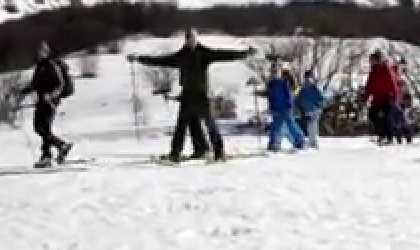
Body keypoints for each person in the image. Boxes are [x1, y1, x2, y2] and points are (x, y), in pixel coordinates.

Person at [129, 29, 255, 162]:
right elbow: (161, 60)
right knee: (182, 126)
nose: (192, 41)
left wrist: (245, 53)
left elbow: (224, 54)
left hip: (201, 95)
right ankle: (179, 154)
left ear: (197, 38)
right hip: (187, 96)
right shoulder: (181, 55)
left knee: (210, 124)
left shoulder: (204, 53)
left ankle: (219, 153)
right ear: (186, 40)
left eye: (194, 38)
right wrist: (138, 58)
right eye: (189, 38)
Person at [18, 41, 73, 168]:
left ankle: (47, 155)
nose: (38, 54)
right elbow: (35, 84)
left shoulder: (51, 65)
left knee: (44, 128)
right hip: (42, 100)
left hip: (50, 101)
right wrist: (22, 91)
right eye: (37, 52)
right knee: (39, 128)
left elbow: (60, 84)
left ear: (46, 52)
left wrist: (51, 96)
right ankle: (60, 147)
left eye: (40, 51)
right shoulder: (40, 66)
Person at [265, 62, 307, 152]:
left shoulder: (274, 83)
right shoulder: (284, 82)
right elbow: (292, 92)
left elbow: (270, 95)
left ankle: (274, 143)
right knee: (288, 125)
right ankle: (299, 141)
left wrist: (271, 104)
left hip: (279, 107)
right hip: (284, 106)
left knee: (278, 125)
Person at [362, 51, 401, 146]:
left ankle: (389, 137)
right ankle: (382, 134)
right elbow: (369, 85)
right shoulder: (373, 71)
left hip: (388, 96)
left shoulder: (386, 69)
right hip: (377, 97)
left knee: (387, 117)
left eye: (372, 60)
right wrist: (366, 97)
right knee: (372, 114)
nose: (370, 62)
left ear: (377, 60)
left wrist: (396, 98)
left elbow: (393, 84)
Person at [297, 70, 326, 149]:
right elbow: (320, 98)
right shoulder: (309, 88)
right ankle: (313, 142)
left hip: (312, 109)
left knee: (312, 125)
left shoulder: (307, 88)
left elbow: (320, 98)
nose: (308, 79)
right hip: (311, 109)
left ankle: (313, 142)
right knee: (312, 126)